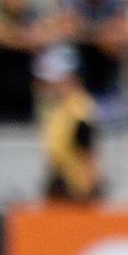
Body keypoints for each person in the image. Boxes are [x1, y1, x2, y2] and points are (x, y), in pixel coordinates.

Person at [36, 46, 102, 202]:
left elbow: (87, 152)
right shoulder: (63, 107)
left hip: (75, 190)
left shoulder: (78, 109)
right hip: (64, 184)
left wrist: (88, 190)